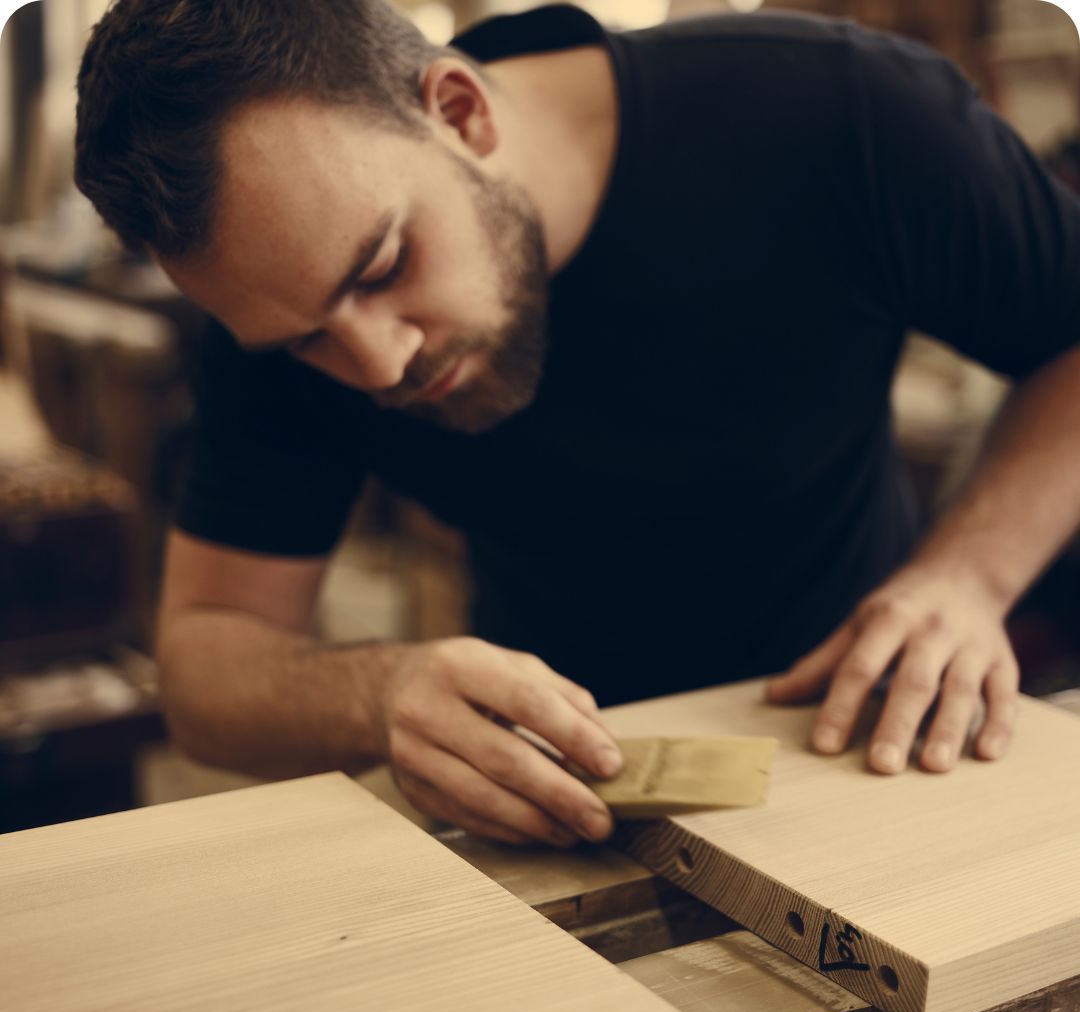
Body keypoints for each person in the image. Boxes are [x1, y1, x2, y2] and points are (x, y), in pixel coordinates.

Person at [74, 0, 1080, 847]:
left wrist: (970, 576)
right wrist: (381, 694)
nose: (375, 365)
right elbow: (205, 666)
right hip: (558, 798)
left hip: (868, 745)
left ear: (459, 113)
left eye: (384, 269)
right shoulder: (275, 304)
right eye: (305, 343)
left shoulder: (846, 117)